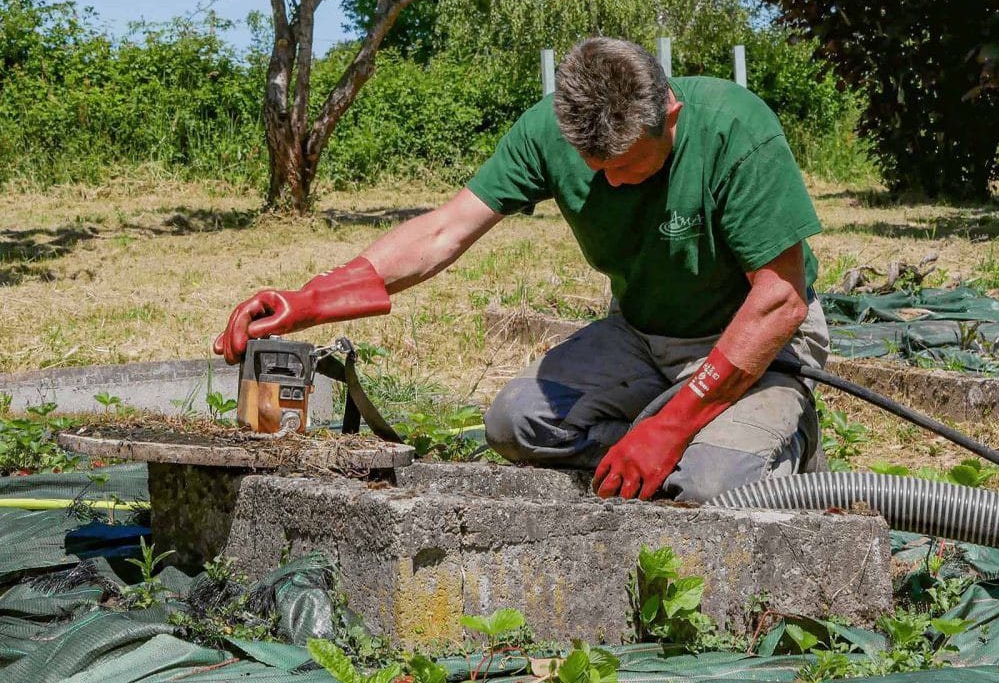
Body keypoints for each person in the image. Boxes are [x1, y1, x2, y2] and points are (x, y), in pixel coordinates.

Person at [215, 37, 830, 503]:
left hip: (758, 343)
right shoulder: (548, 132)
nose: (611, 183)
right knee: (514, 423)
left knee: (710, 487)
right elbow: (443, 231)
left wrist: (670, 426)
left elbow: (779, 301)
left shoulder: (735, 128)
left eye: (628, 167)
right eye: (596, 168)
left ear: (667, 115)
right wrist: (315, 297)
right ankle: (678, 436)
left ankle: (775, 439)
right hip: (643, 334)